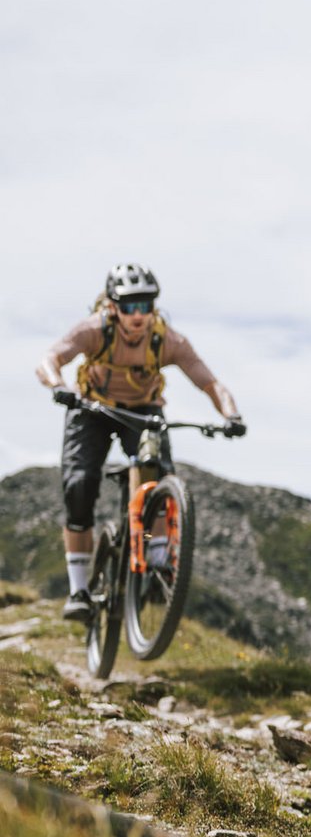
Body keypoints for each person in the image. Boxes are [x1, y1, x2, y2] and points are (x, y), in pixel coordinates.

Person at [34, 263, 245, 622]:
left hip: (143, 412)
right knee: (79, 485)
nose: (139, 315)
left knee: (156, 470)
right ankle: (79, 589)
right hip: (91, 408)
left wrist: (231, 416)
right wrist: (59, 387)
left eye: (146, 305)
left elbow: (210, 383)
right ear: (113, 307)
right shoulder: (93, 330)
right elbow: (49, 359)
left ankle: (158, 558)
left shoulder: (169, 340)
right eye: (130, 306)